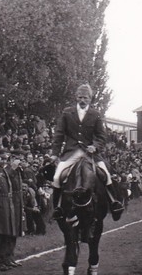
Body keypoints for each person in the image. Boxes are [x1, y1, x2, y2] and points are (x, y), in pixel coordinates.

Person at [50, 84, 124, 221]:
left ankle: (114, 203)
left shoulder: (95, 115)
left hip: (90, 153)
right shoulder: (67, 112)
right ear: (76, 97)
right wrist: (55, 153)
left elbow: (102, 136)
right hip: (71, 152)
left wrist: (94, 146)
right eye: (80, 97)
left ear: (90, 99)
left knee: (105, 174)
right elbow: (59, 134)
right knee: (56, 177)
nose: (82, 100)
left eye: (85, 97)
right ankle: (58, 208)